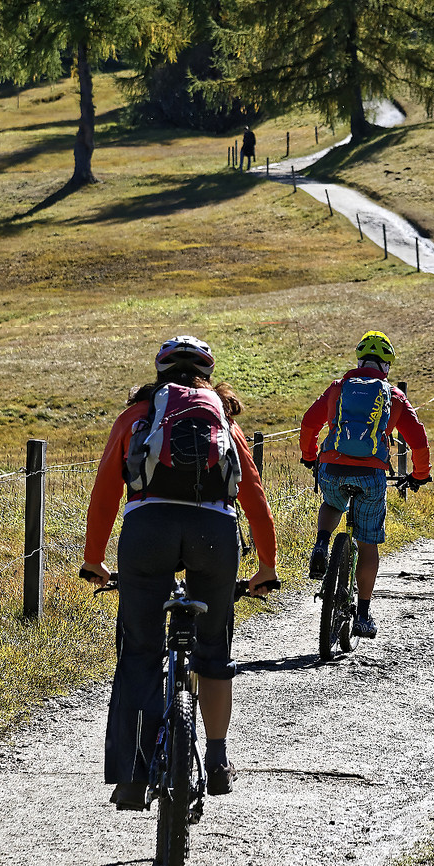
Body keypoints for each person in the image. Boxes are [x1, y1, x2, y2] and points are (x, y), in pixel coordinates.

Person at [81, 335, 279, 810]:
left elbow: (107, 488)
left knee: (140, 651)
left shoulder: (137, 416)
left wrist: (94, 558)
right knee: (214, 650)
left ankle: (131, 777)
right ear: (207, 376)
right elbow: (251, 491)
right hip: (215, 530)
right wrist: (267, 564)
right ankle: (216, 759)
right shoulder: (224, 421)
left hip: (147, 529)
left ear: (159, 372)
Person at [300, 331, 431, 640]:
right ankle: (362, 615)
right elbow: (419, 441)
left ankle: (321, 543)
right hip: (371, 474)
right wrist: (419, 475)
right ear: (386, 366)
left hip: (332, 466)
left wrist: (309, 456)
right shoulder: (394, 395)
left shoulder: (338, 388)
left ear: (359, 361)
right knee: (368, 542)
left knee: (333, 503)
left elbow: (309, 422)